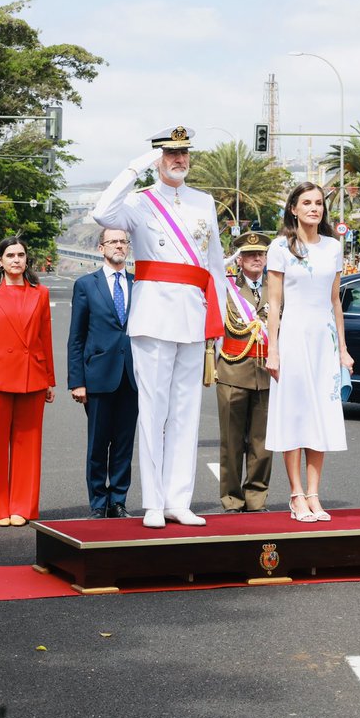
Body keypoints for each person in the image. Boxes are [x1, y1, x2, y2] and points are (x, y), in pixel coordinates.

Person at [91, 125, 226, 528]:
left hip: (192, 313)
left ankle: (178, 499)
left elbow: (215, 266)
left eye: (184, 154)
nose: (179, 160)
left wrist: (216, 323)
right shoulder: (138, 201)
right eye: (170, 154)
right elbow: (102, 213)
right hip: (152, 315)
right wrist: (136, 167)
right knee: (152, 411)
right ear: (157, 158)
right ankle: (152, 501)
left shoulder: (205, 202)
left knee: (186, 412)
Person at [264, 183, 353, 523]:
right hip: (293, 337)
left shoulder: (333, 247)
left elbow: (335, 302)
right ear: (293, 209)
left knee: (321, 416)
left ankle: (314, 494)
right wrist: (273, 350)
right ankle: (296, 494)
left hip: (324, 341)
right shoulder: (280, 248)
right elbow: (274, 303)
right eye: (307, 203)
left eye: (318, 203)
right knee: (295, 414)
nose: (314, 208)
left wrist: (343, 350)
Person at [0, 236, 55, 527]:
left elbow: (44, 337)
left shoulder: (41, 293)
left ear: (27, 259)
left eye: (21, 254)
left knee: (28, 444)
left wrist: (49, 379)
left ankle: (23, 506)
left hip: (31, 375)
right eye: (10, 255)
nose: (16, 260)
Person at [67, 227, 138, 519]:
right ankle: (98, 502)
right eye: (113, 242)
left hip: (132, 376)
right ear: (101, 248)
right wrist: (77, 381)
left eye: (123, 242)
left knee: (124, 444)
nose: (118, 246)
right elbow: (76, 336)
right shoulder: (86, 284)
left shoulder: (139, 283)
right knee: (98, 444)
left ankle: (118, 500)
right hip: (97, 377)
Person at [217, 231, 273, 512]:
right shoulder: (225, 288)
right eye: (250, 254)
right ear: (239, 259)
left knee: (262, 443)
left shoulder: (276, 287)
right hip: (232, 371)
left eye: (260, 254)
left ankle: (256, 498)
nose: (256, 259)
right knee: (231, 441)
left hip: (266, 373)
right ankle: (231, 499)